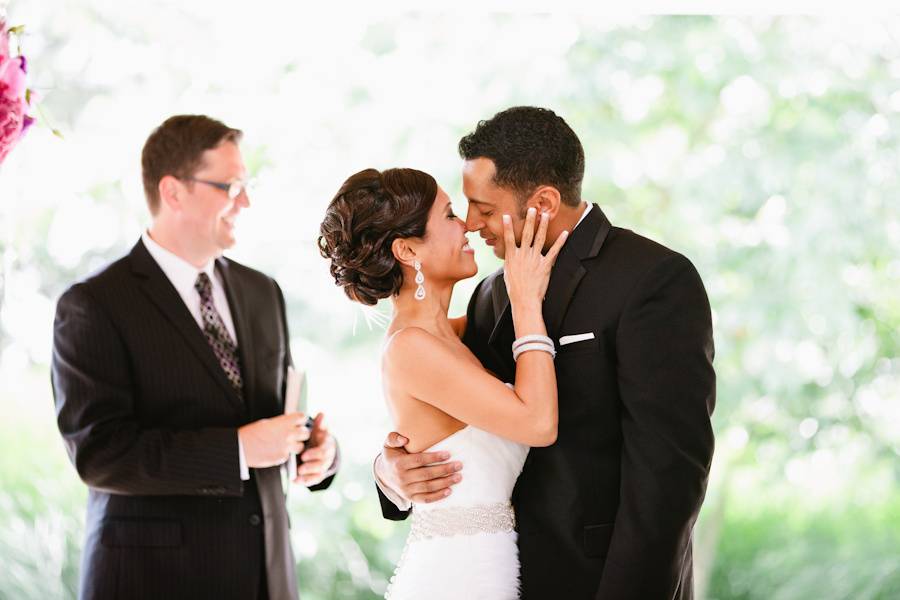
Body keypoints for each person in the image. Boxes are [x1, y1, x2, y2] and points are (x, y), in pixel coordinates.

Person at [374, 106, 716, 599]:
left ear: (545, 202)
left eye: (486, 210)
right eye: (464, 208)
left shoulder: (652, 280)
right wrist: (390, 470)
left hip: (597, 583)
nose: (472, 224)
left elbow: (670, 478)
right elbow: (441, 407)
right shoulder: (491, 294)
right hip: (496, 576)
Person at [51, 114, 338, 600]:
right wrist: (240, 451)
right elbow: (100, 454)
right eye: (229, 185)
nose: (244, 200)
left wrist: (315, 451)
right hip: (153, 579)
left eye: (246, 184)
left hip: (265, 575)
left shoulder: (261, 291)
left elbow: (265, 414)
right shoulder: (93, 304)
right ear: (174, 191)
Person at [318, 167, 568, 599]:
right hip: (458, 577)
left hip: (491, 565)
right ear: (408, 249)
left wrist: (386, 463)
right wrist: (527, 303)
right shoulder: (411, 348)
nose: (468, 224)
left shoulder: (454, 333)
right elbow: (539, 423)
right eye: (450, 215)